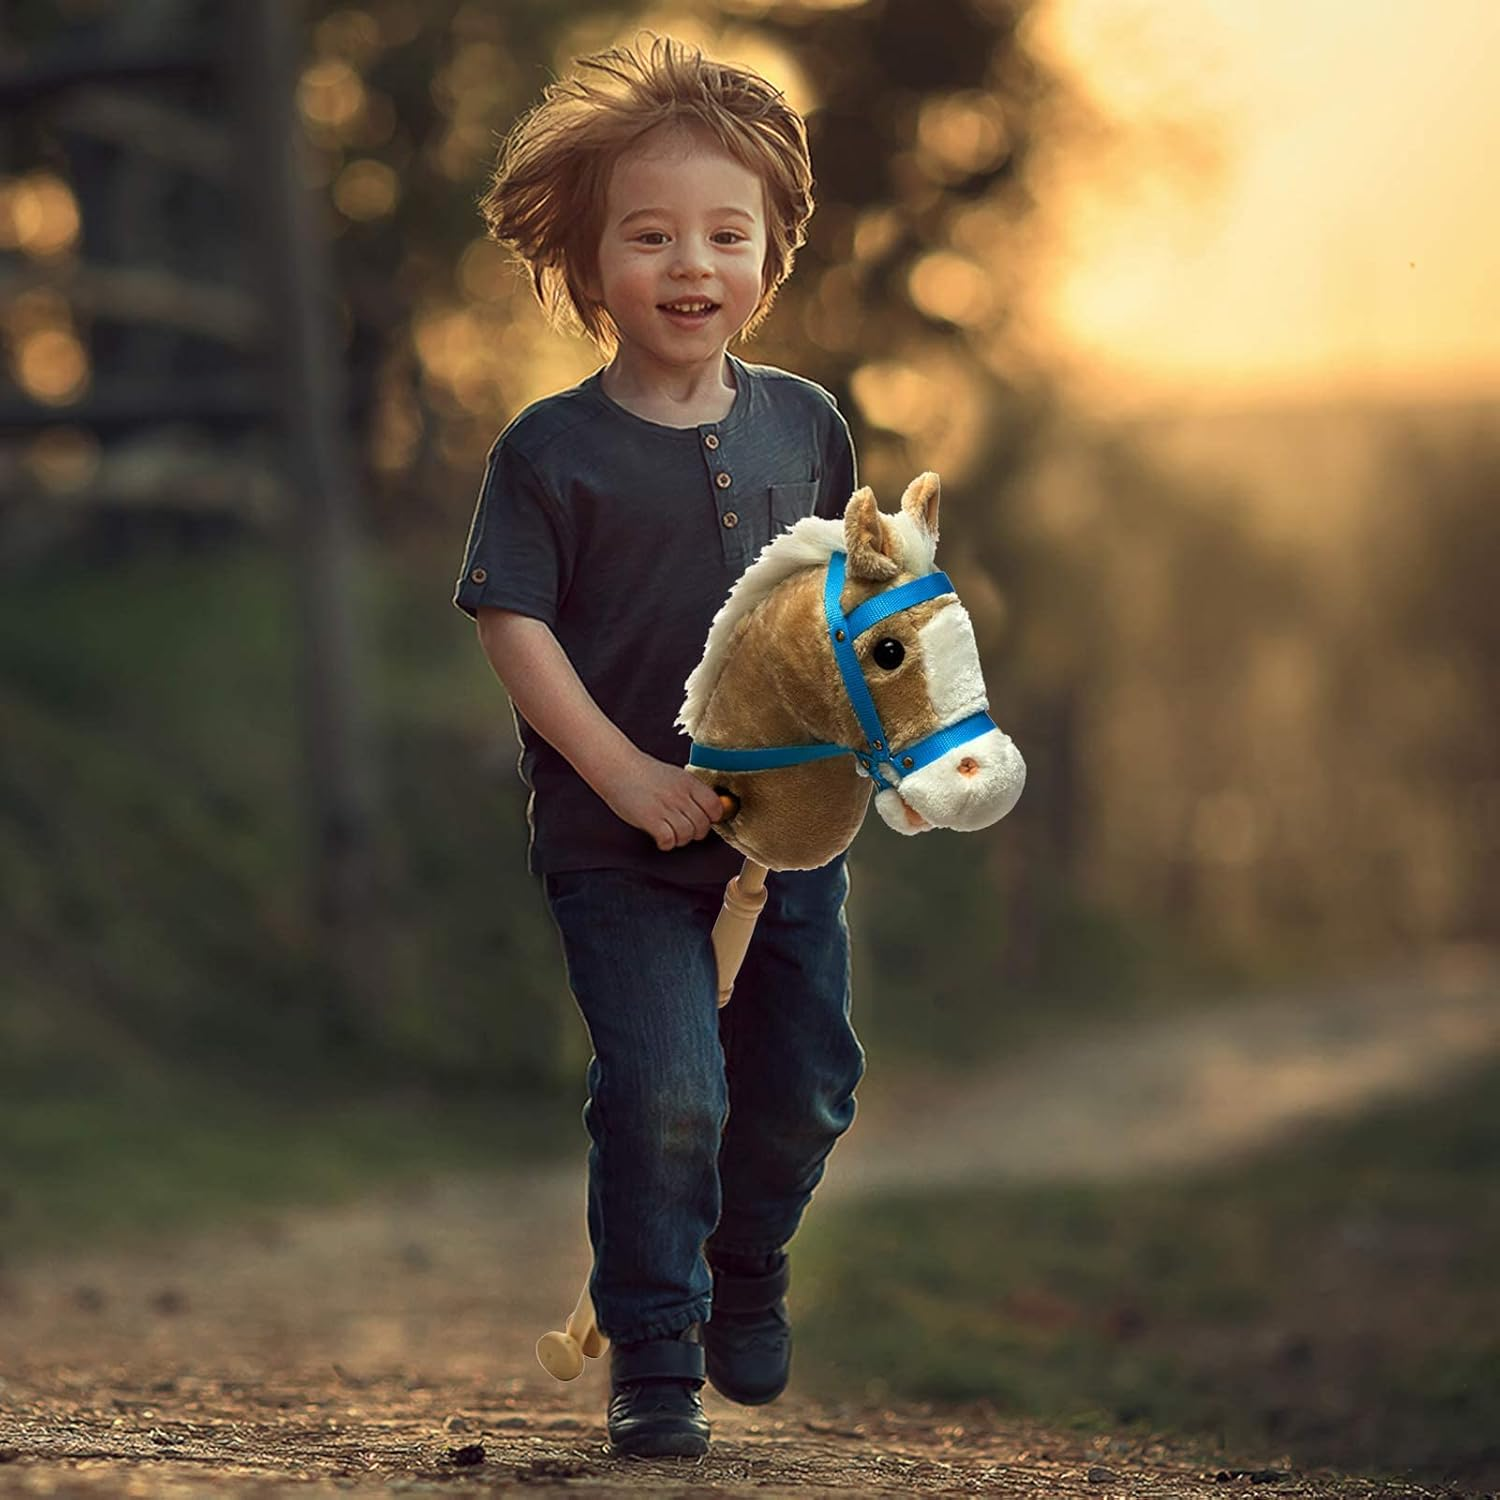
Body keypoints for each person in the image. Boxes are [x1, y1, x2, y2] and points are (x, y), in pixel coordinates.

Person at [453, 34, 865, 1459]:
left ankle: (745, 1266)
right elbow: (512, 623)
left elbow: (840, 605)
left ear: (771, 255)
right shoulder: (548, 455)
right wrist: (623, 776)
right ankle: (653, 1350)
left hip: (786, 843)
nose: (691, 265)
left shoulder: (809, 430)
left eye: (724, 235)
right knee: (669, 1090)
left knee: (807, 1086)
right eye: (650, 236)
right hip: (618, 847)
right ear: (587, 263)